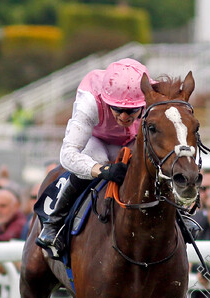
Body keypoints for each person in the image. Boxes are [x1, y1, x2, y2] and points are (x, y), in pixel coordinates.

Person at [36, 58, 152, 254]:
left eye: (131, 110)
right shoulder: (89, 101)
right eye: (117, 108)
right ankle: (53, 223)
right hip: (96, 140)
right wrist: (102, 170)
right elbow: (68, 154)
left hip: (132, 140)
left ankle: (181, 216)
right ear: (106, 101)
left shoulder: (152, 94)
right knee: (95, 160)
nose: (124, 117)